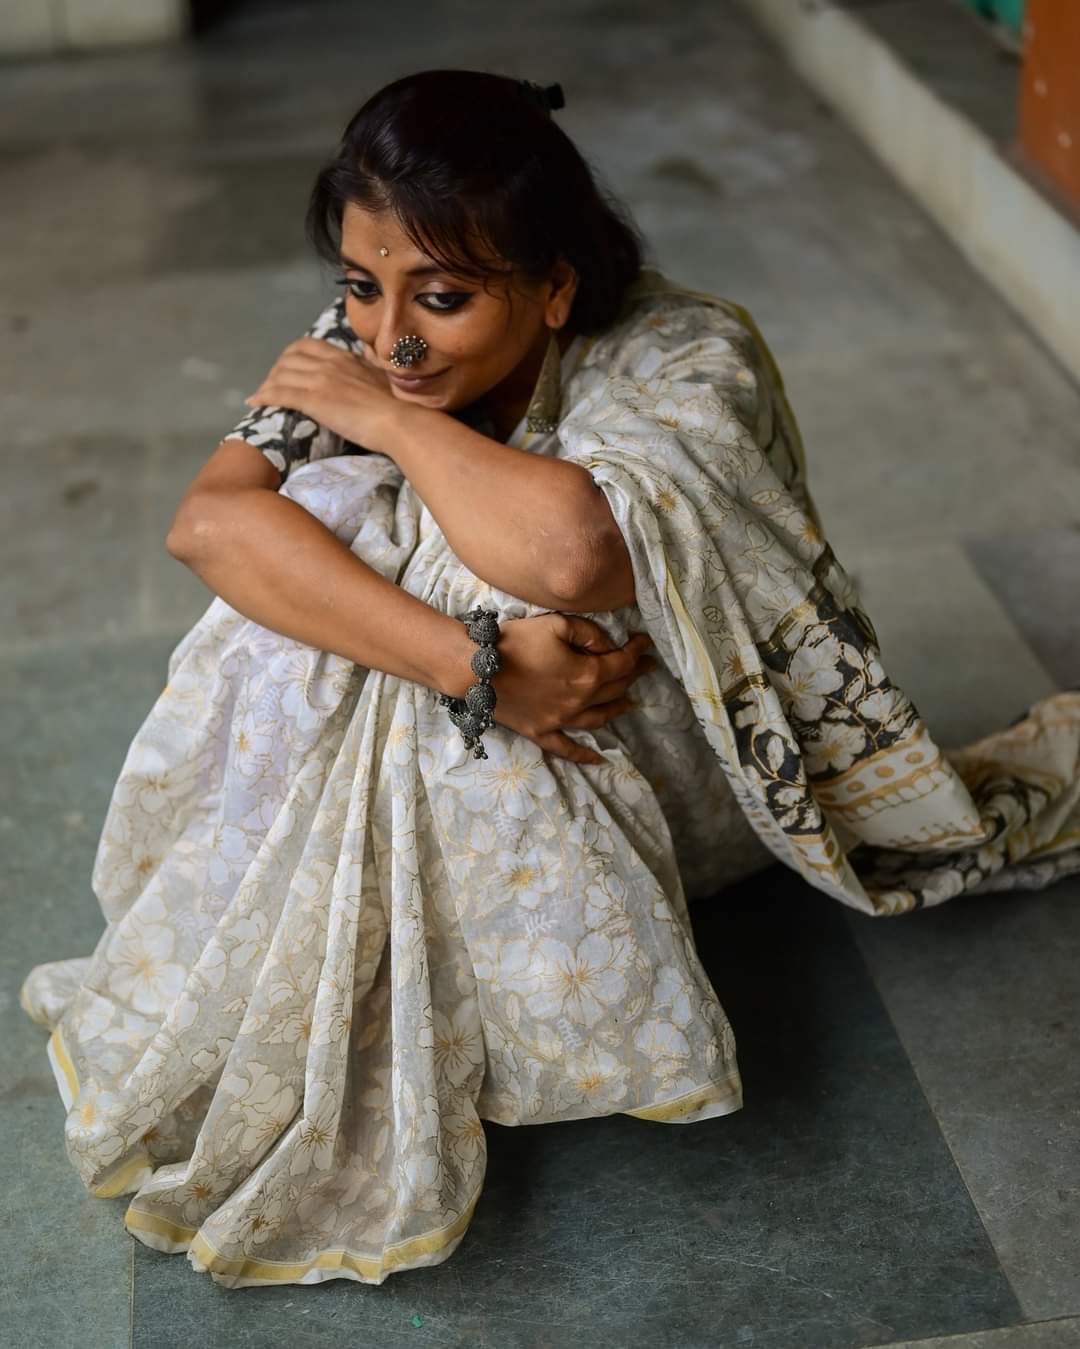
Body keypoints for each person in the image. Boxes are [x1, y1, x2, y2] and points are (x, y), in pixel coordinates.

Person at [19, 70, 1080, 1289]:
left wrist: (407, 432)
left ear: (557, 286)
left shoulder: (685, 354)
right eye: (361, 288)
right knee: (313, 534)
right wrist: (474, 668)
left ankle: (518, 999)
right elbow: (208, 524)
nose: (391, 336)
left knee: (484, 563)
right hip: (525, 705)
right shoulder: (360, 345)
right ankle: (357, 951)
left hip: (645, 733)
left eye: (445, 297)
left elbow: (575, 551)